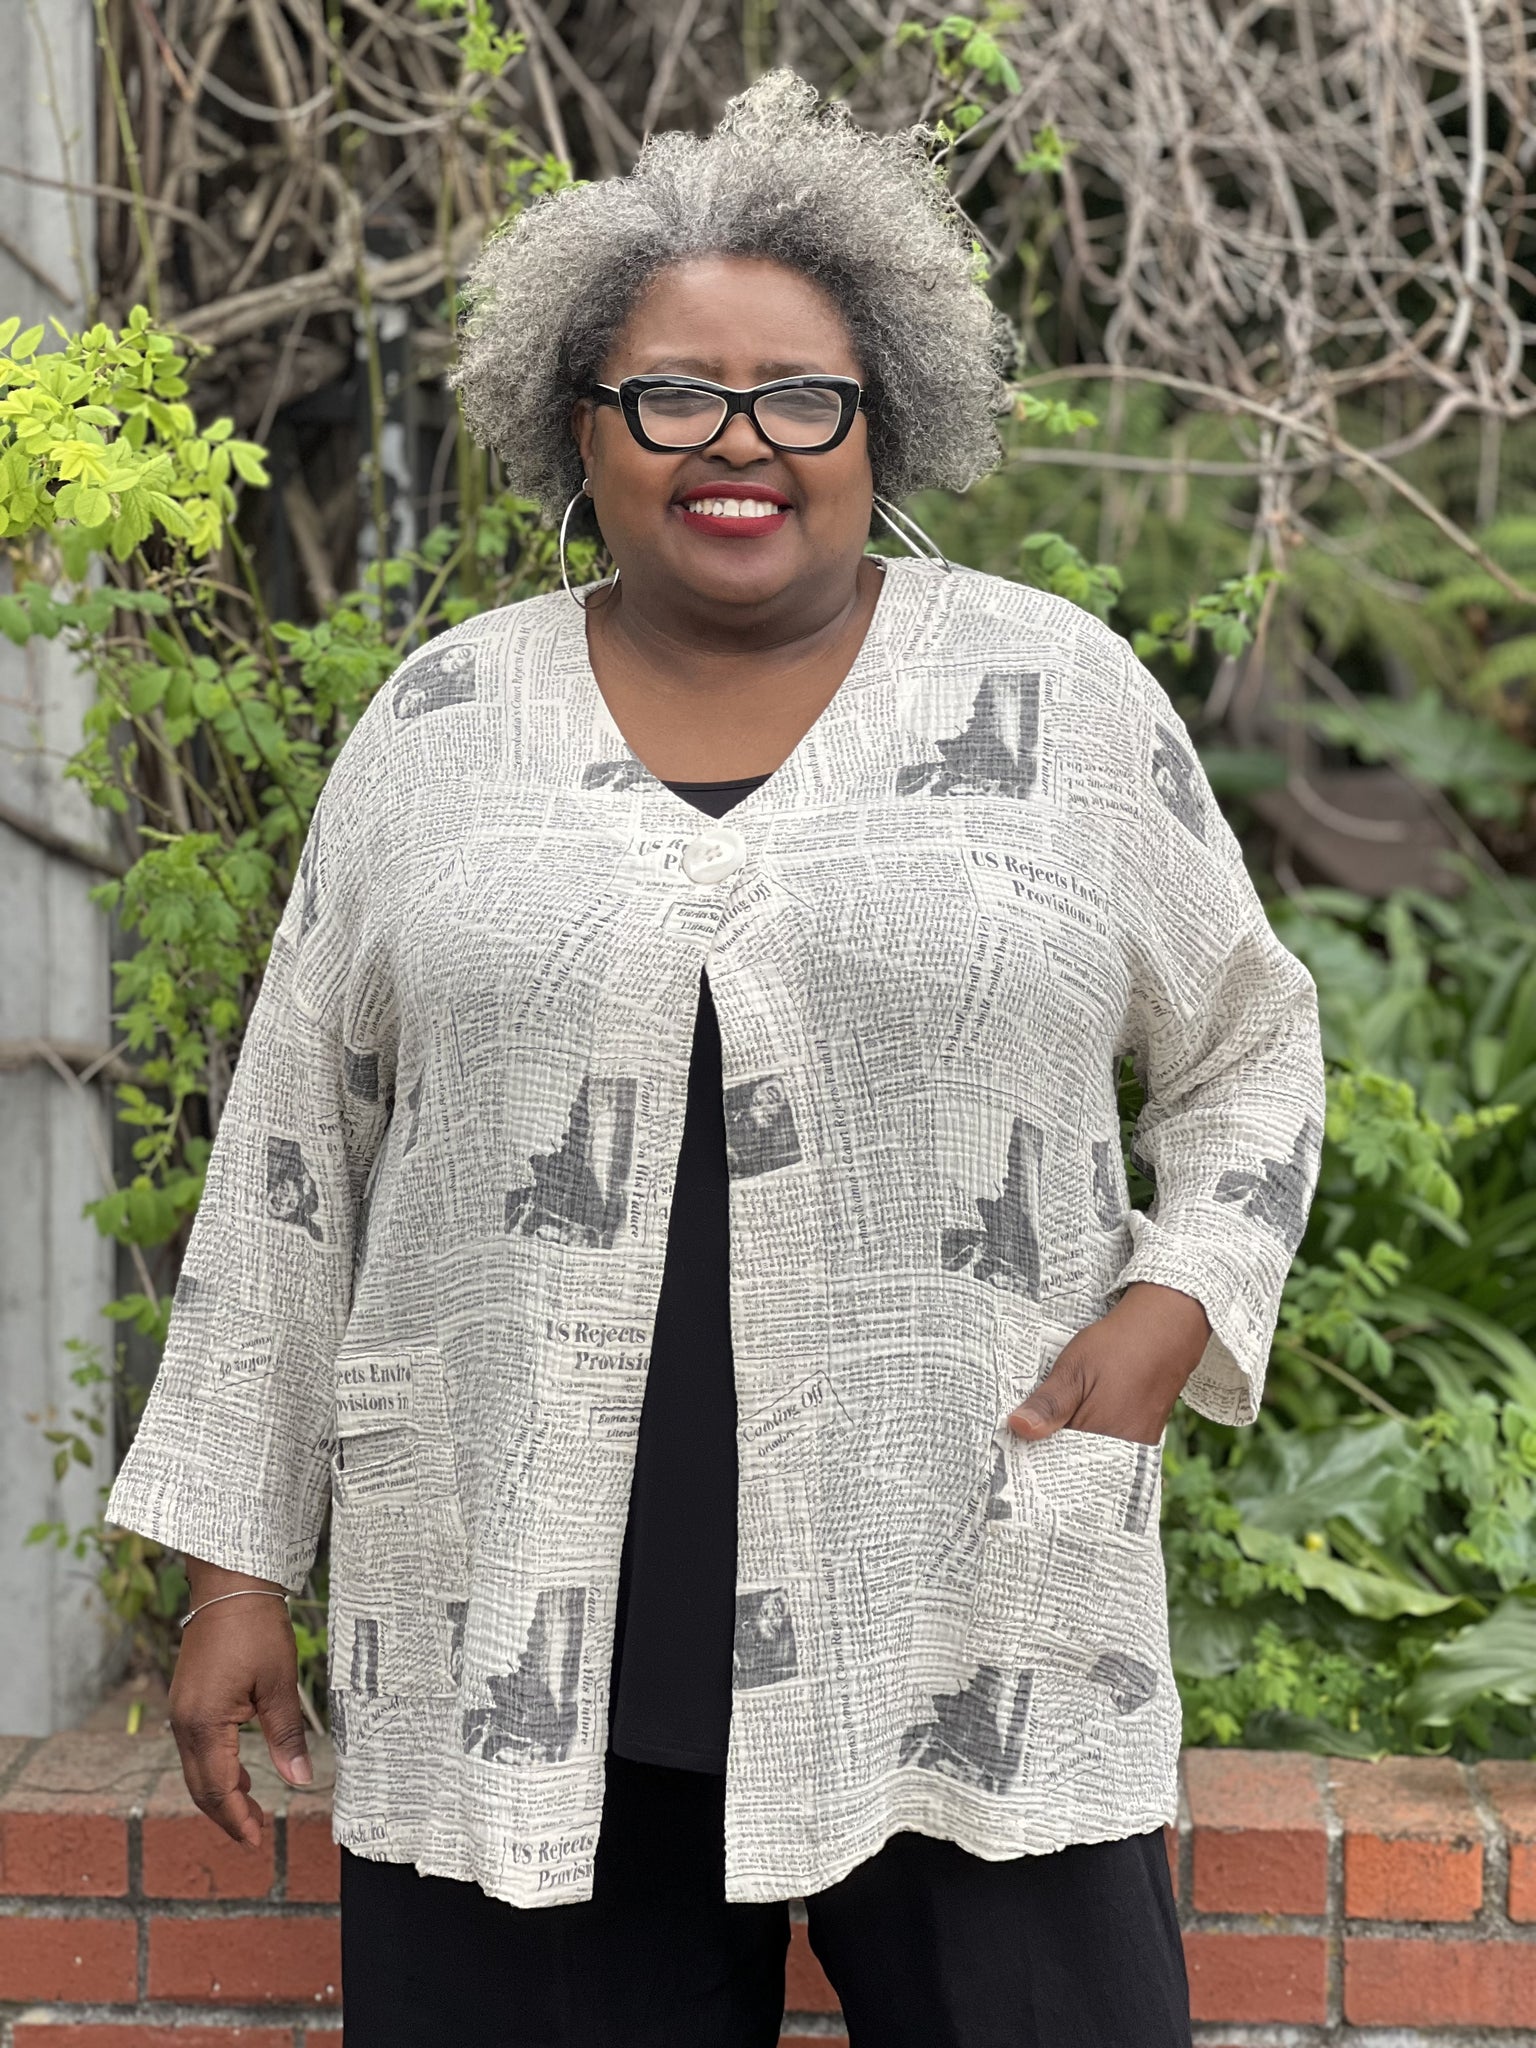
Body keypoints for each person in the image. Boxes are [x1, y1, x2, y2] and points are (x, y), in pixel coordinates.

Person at [105, 69, 1327, 2048]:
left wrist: (1181, 1296)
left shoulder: (1062, 700)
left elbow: (1250, 1038)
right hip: (519, 1622)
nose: (738, 442)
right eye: (672, 395)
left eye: (800, 398)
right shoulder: (440, 725)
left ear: (882, 422)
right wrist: (236, 1570)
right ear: (577, 425)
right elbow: (291, 1154)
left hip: (967, 1584)